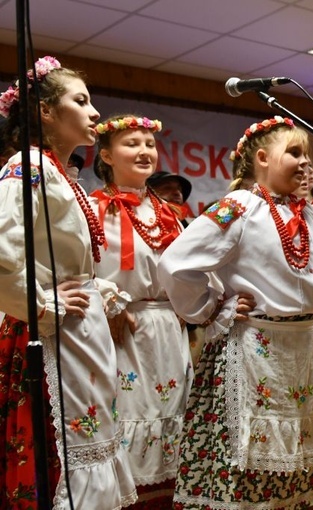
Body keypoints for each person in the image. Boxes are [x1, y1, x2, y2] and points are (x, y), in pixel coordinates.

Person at [157, 116, 313, 509]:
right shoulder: (239, 207)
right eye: (294, 153)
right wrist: (212, 308)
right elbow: (177, 262)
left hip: (305, 353)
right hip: (256, 349)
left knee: (309, 464)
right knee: (252, 468)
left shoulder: (308, 213)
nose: (305, 163)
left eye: (307, 155)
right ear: (262, 157)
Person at [0, 56, 137, 508]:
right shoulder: (28, 167)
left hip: (77, 336)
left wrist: (95, 292)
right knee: (60, 458)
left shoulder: (59, 172)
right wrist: (40, 304)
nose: (95, 112)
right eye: (81, 101)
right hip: (48, 335)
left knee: (89, 447)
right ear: (45, 112)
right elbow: (2, 254)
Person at [90, 114, 191, 507]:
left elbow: (191, 272)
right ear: (106, 155)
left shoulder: (169, 213)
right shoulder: (93, 209)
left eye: (149, 144)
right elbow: (75, 270)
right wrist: (108, 300)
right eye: (132, 143)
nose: (145, 151)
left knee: (175, 424)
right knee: (128, 420)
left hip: (168, 331)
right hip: (121, 331)